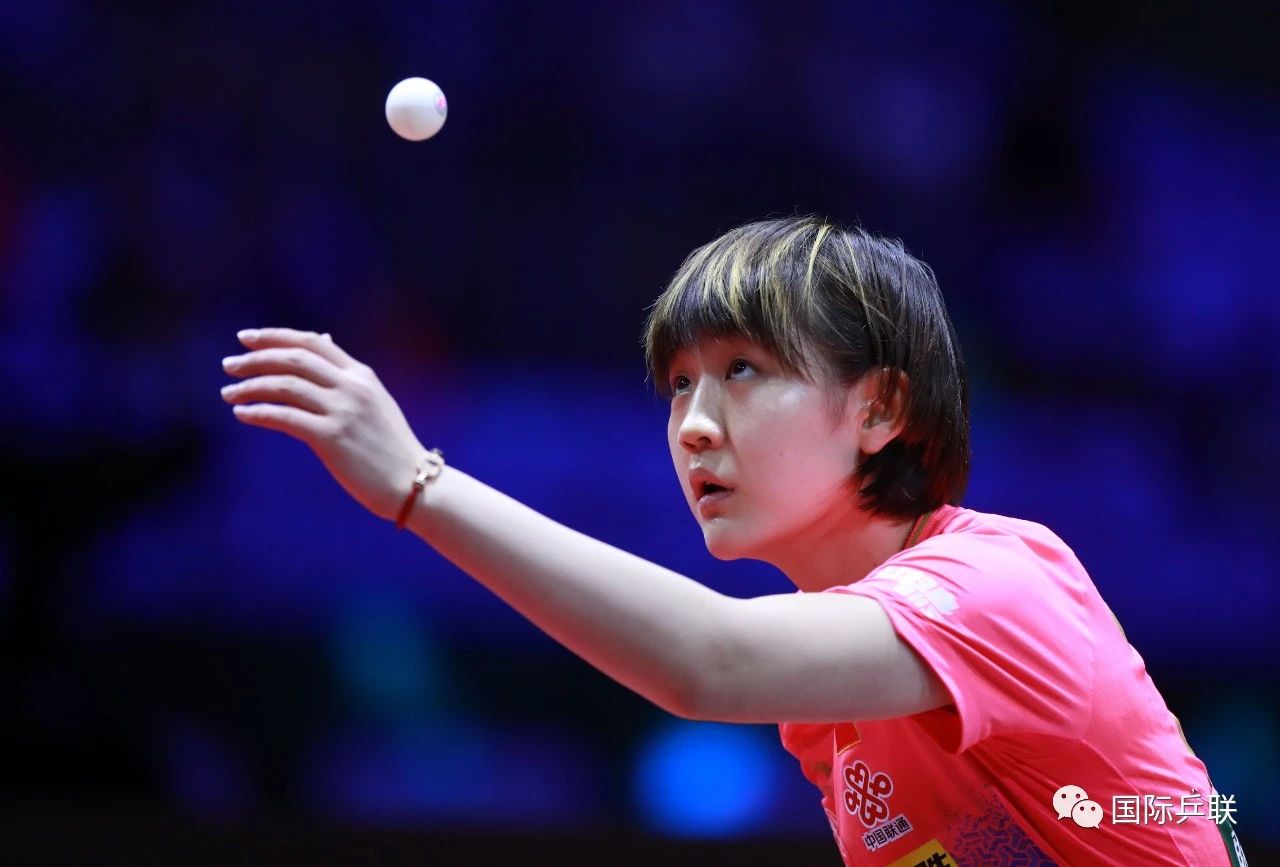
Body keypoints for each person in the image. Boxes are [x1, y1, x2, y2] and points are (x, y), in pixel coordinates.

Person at [219, 216, 1245, 866]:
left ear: (881, 408)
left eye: (745, 370)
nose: (694, 425)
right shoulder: (831, 710)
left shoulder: (997, 586)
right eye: (679, 385)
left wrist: (418, 485)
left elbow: (708, 660)